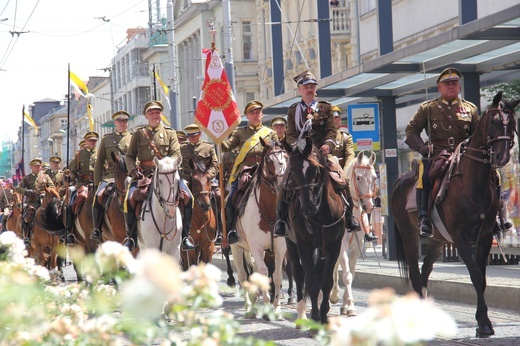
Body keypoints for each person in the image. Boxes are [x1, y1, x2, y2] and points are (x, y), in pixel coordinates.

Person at [274, 70, 360, 237]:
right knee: (284, 182)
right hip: (301, 154)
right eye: (306, 87)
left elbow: (332, 131)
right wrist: (299, 147)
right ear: (300, 90)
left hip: (322, 154)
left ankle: (349, 217)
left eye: (312, 86)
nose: (309, 90)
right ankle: (281, 221)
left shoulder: (325, 107)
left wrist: (328, 145)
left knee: (341, 178)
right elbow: (291, 133)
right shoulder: (294, 110)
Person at [405, 67, 479, 238]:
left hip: (465, 154)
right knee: (425, 177)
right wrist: (423, 149)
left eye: (454, 83)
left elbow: (478, 134)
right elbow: (411, 131)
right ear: (439, 88)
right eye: (447, 84)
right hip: (439, 154)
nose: (451, 87)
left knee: (492, 174)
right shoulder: (429, 108)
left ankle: (496, 217)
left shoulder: (471, 109)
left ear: (459, 87)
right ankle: (424, 218)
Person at [124, 100, 195, 251]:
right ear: (146, 116)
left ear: (161, 114)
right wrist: (133, 171)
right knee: (129, 198)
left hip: (167, 174)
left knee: (188, 197)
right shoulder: (138, 133)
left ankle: (185, 237)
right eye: (151, 113)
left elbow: (176, 153)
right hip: (145, 174)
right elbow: (130, 156)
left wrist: (167, 166)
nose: (155, 115)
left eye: (157, 112)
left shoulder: (170, 132)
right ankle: (131, 237)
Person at [221, 100, 278, 244]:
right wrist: (219, 138)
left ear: (262, 114)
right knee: (232, 197)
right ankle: (231, 230)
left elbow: (278, 150)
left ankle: (285, 225)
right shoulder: (240, 132)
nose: (255, 115)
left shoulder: (271, 133)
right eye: (252, 113)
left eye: (258, 112)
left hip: (266, 170)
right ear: (247, 116)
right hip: (247, 171)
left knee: (285, 193)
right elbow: (227, 147)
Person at [331, 105, 377, 242]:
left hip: (342, 173)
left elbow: (350, 155)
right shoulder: (322, 136)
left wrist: (344, 173)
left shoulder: (345, 137)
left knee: (361, 195)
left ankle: (366, 229)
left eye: (338, 118)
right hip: (327, 171)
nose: (336, 120)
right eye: (333, 118)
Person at [90, 110, 132, 242]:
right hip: (110, 176)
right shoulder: (106, 139)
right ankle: (97, 229)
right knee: (99, 196)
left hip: (130, 174)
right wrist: (97, 184)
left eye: (124, 121)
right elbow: (99, 163)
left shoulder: (133, 137)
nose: (122, 123)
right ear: (115, 123)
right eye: (119, 121)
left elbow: (137, 158)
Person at [180, 124, 221, 244]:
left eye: (194, 135)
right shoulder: (182, 148)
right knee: (176, 199)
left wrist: (207, 176)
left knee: (219, 197)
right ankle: (181, 231)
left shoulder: (208, 147)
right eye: (189, 135)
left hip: (205, 181)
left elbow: (214, 165)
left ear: (200, 134)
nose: (191, 138)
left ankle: (220, 231)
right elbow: (178, 164)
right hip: (187, 181)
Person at [64, 131, 99, 244]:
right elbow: (73, 170)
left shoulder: (100, 153)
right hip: (82, 184)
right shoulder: (79, 155)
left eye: (94, 140)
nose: (92, 142)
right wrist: (70, 177)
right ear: (86, 142)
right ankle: (69, 232)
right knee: (71, 204)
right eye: (90, 140)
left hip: (96, 183)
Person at [15, 158, 55, 245]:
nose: (37, 168)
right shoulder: (27, 178)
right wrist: (26, 191)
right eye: (35, 166)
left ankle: (59, 234)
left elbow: (53, 187)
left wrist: (45, 192)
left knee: (56, 213)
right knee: (27, 217)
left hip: (44, 201)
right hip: (32, 202)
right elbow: (17, 188)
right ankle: (27, 236)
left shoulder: (45, 177)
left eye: (38, 166)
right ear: (31, 167)